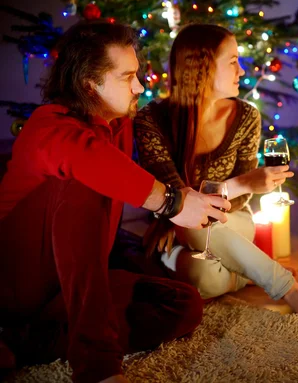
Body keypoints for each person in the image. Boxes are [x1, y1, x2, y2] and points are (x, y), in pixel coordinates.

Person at [0, 20, 231, 383]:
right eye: (127, 77)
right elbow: (89, 159)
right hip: (17, 288)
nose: (139, 86)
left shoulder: (119, 125)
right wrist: (172, 202)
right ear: (89, 86)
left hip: (70, 286)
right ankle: (96, 366)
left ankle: (25, 341)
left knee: (182, 305)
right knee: (80, 178)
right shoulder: (49, 126)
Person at [134, 23, 298, 322]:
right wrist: (243, 182)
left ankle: (270, 279)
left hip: (232, 221)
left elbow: (234, 204)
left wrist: (235, 190)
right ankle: (260, 276)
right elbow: (175, 200)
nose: (241, 70)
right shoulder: (151, 120)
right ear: (203, 68)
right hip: (178, 228)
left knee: (202, 230)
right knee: (204, 276)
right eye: (233, 61)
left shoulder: (246, 116)